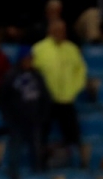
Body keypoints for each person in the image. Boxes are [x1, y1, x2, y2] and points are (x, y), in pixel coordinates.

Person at [32, 20, 86, 163]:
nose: (59, 33)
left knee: (73, 134)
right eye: (56, 30)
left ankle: (74, 161)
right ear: (50, 31)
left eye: (62, 30)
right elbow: (33, 73)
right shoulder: (39, 49)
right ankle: (39, 161)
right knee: (42, 132)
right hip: (46, 99)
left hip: (66, 99)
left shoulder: (72, 49)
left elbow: (80, 71)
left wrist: (73, 89)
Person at [0, 48, 52, 175]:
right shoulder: (11, 76)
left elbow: (45, 97)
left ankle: (38, 177)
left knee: (36, 151)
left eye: (30, 59)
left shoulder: (37, 76)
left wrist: (42, 117)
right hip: (16, 122)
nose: (29, 61)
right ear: (20, 60)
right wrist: (9, 118)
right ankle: (12, 178)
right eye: (26, 59)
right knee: (15, 150)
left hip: (34, 121)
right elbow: (2, 99)